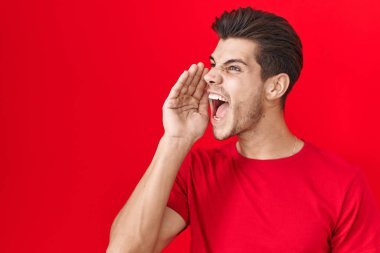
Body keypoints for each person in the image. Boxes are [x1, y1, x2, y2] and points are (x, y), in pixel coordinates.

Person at [106, 7, 380, 253]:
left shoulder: (343, 185)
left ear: (275, 87)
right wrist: (174, 140)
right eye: (214, 65)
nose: (210, 76)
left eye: (233, 68)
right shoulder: (196, 171)